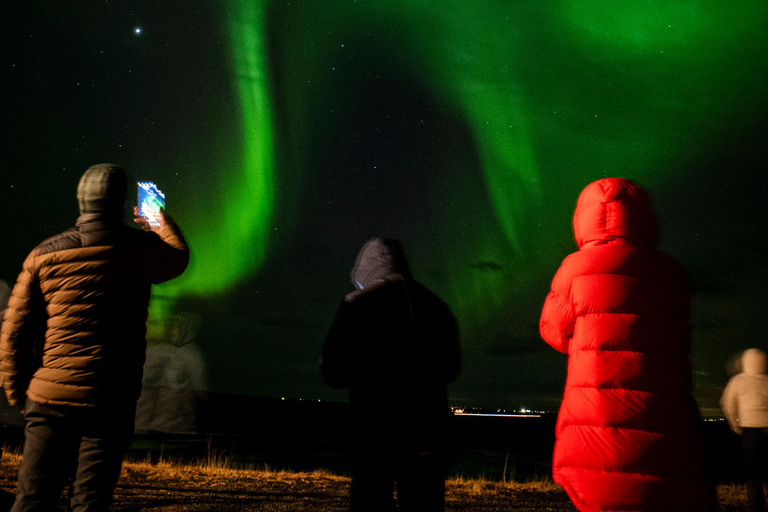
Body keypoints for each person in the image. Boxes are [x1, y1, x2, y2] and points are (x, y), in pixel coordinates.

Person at [0, 163, 189, 512]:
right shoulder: (140, 250)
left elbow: (14, 331)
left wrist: (18, 393)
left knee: (32, 500)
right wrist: (160, 222)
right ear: (119, 202)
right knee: (90, 502)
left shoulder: (43, 255)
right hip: (110, 400)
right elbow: (178, 257)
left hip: (49, 399)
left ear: (81, 201)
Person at [539, 178, 717, 512]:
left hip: (598, 414)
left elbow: (553, 330)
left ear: (584, 218)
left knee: (606, 490)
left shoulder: (575, 269)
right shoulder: (672, 273)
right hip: (667, 416)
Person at [321, 238, 461, 512]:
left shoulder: (356, 303)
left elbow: (332, 372)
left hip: (374, 439)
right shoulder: (439, 307)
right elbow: (453, 367)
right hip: (428, 436)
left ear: (365, 270)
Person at [721, 348, 768, 512]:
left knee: (753, 474)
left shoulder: (738, 381)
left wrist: (736, 426)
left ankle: (756, 507)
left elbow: (728, 405)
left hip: (750, 432)